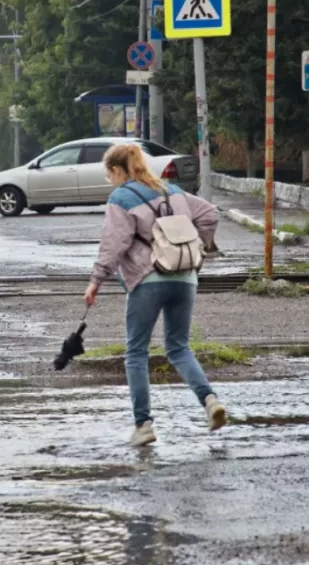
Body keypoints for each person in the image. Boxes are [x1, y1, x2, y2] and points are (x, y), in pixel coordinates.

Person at [84, 143, 223, 447]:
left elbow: (114, 243)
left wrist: (96, 280)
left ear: (118, 170)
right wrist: (198, 246)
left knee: (136, 353)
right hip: (185, 277)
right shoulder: (170, 190)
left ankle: (143, 424)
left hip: (148, 279)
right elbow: (210, 214)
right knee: (179, 347)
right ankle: (210, 400)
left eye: (110, 175)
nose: (111, 181)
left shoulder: (120, 197)